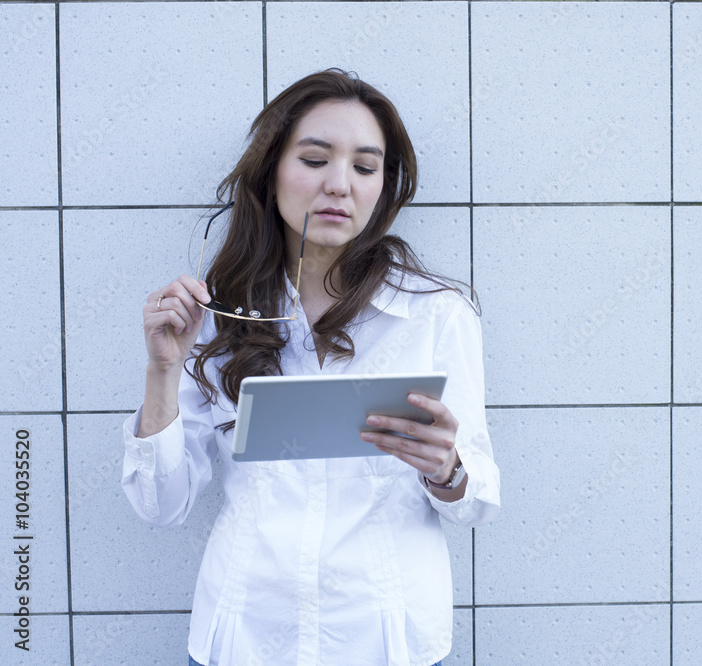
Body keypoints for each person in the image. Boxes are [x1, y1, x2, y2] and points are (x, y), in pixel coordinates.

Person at [120, 68, 500, 666]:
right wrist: (162, 371)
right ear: (271, 171)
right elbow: (161, 505)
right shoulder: (213, 314)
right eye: (316, 159)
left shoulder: (437, 315)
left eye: (365, 167)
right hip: (244, 634)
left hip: (384, 640)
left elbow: (478, 497)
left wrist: (448, 471)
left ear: (384, 187)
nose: (339, 185)